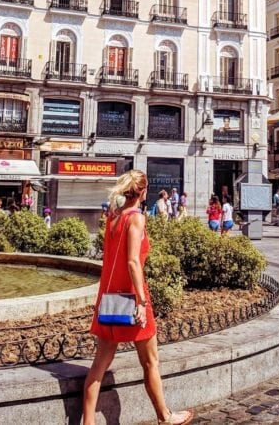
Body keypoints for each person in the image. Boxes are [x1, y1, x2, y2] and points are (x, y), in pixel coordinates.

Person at [82, 170, 194, 425]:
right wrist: (142, 302)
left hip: (110, 300)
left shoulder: (113, 217)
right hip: (133, 299)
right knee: (150, 362)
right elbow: (133, 262)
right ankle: (164, 416)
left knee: (98, 367)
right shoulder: (137, 219)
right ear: (143, 192)